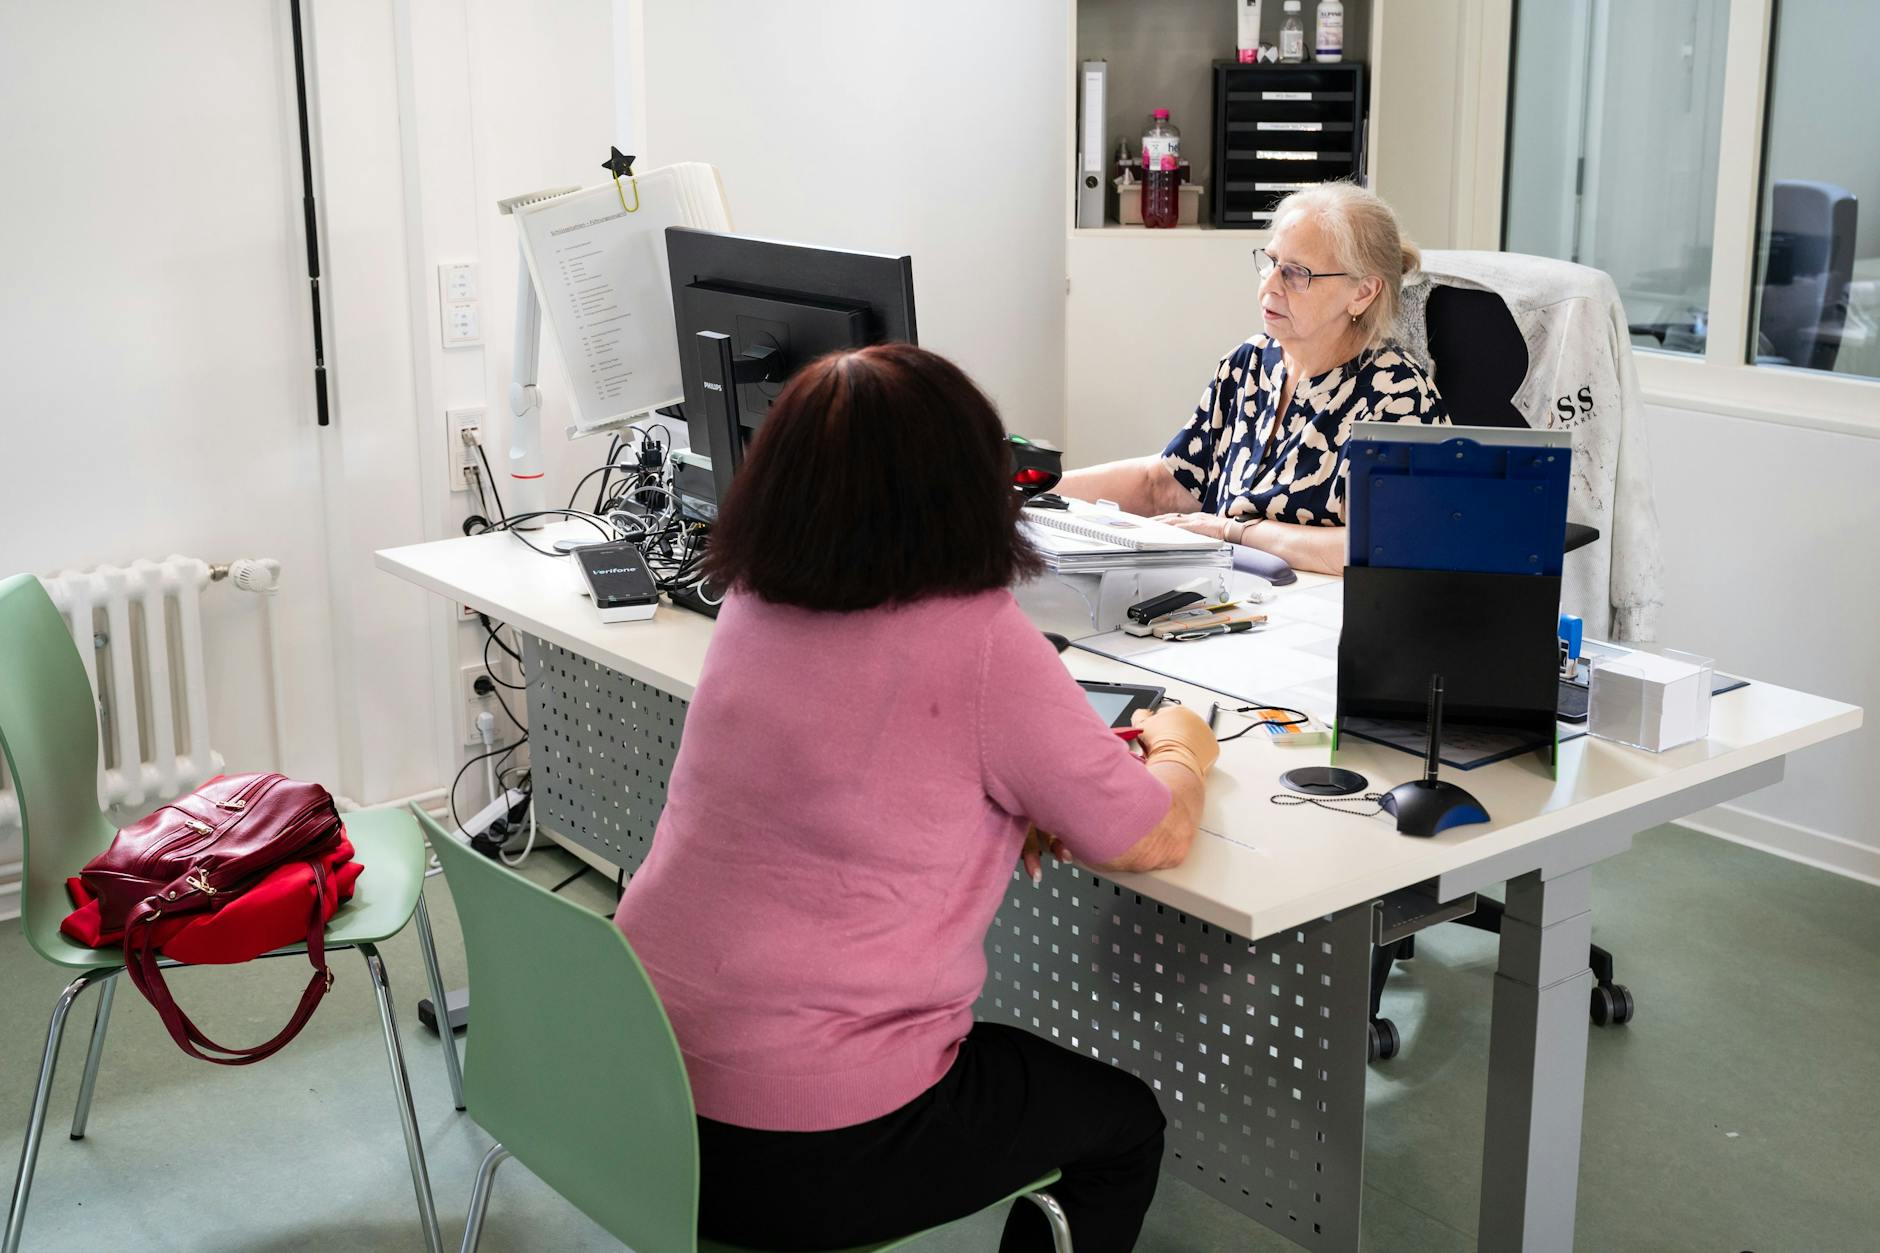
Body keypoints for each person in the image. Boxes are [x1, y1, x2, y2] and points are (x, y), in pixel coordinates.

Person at [613, 342, 1221, 1252]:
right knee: (1124, 1125)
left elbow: (865, 783)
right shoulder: (981, 640)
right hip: (805, 1147)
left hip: (639, 1093)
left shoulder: (748, 602)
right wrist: (1184, 746)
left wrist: (1001, 803)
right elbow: (1150, 835)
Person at [1057, 182, 1449, 575]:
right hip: (1229, 595)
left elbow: (1388, 545)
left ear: (1362, 293)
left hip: (1319, 615)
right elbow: (1163, 484)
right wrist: (1025, 488)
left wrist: (1235, 532)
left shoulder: (1396, 396)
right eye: (1272, 261)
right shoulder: (1249, 363)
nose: (1270, 285)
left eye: (1296, 273)